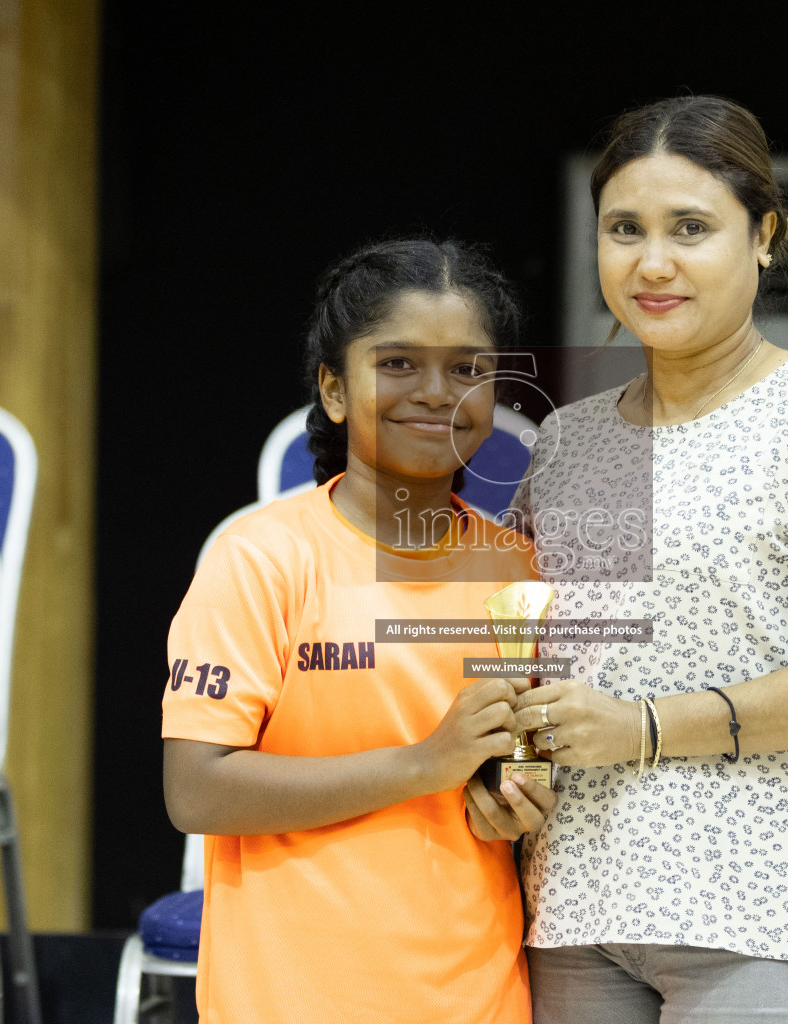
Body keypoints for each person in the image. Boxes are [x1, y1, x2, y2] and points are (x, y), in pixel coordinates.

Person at [506, 96, 788, 1023]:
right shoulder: (568, 442)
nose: (651, 261)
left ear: (764, 235)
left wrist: (644, 727)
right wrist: (506, 771)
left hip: (759, 911)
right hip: (572, 907)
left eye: (690, 228)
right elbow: (535, 664)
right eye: (625, 229)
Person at [161, 237, 558, 1024]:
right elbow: (196, 789)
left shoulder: (523, 570)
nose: (437, 392)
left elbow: (527, 762)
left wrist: (521, 793)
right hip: (286, 1002)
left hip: (478, 1002)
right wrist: (422, 764)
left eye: (468, 369)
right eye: (400, 363)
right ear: (335, 390)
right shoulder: (260, 558)